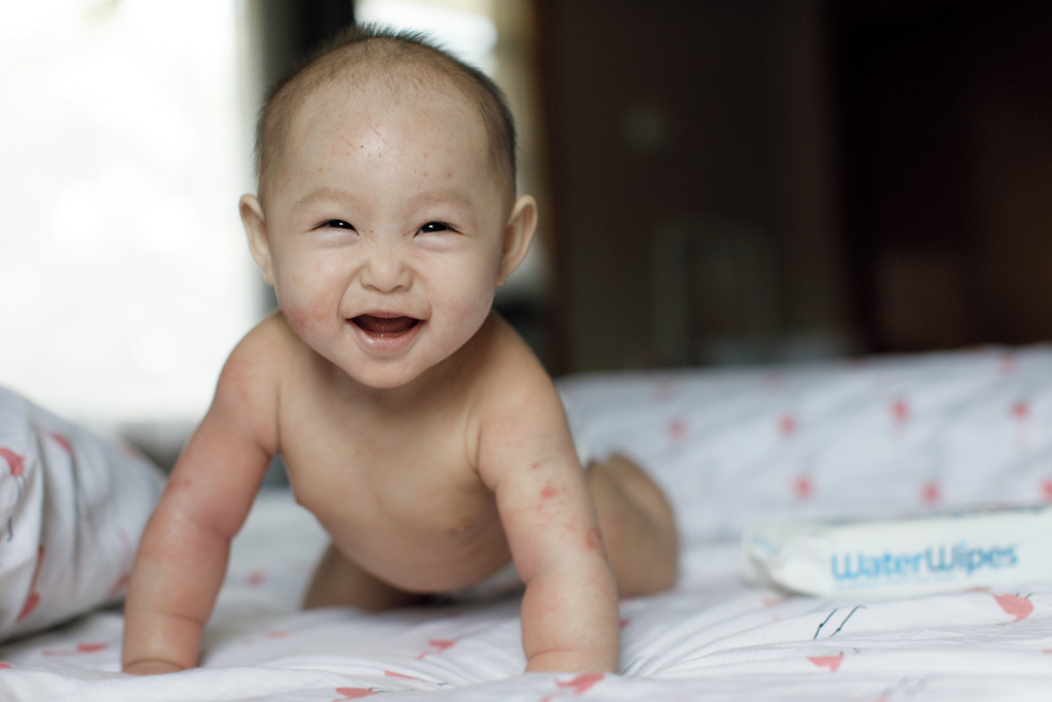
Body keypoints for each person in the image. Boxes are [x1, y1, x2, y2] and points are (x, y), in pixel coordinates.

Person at [122, 24, 678, 676]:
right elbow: (195, 520)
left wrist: (559, 676)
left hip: (510, 542)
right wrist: (154, 657)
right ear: (266, 241)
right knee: (326, 610)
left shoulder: (507, 391)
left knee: (645, 562)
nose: (385, 272)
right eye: (337, 225)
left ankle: (620, 482)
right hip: (377, 554)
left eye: (433, 226)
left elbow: (562, 562)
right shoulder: (263, 374)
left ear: (506, 245)